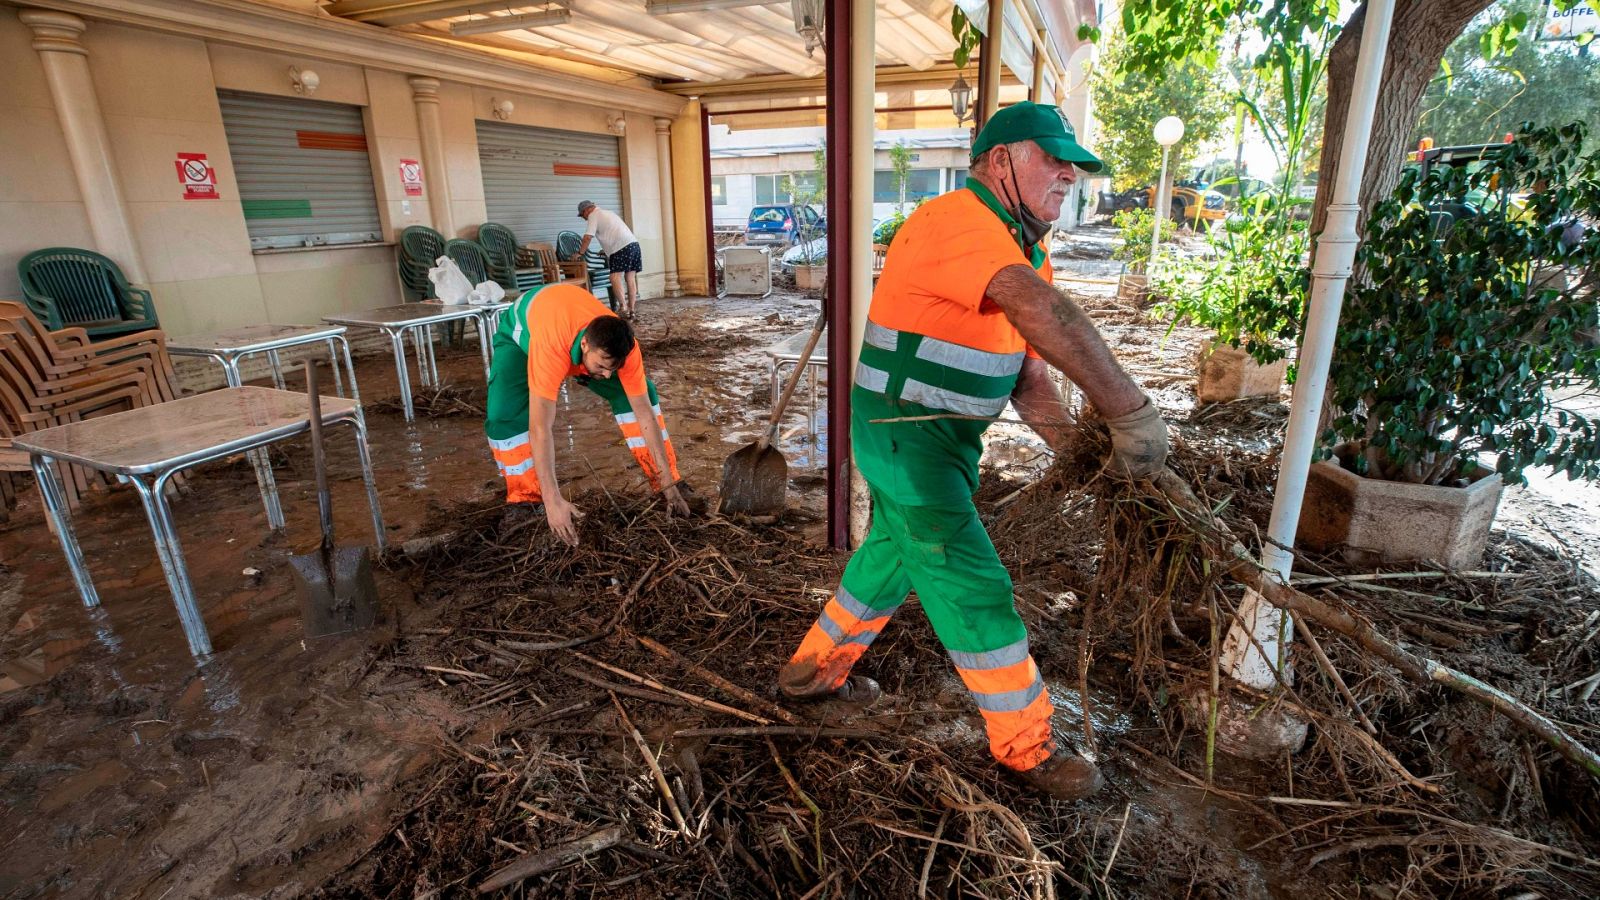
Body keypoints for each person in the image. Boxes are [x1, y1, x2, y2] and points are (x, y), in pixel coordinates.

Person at [775, 102, 1170, 799]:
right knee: (973, 585)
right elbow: (1043, 312)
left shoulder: (1026, 251)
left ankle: (812, 671)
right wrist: (1130, 411)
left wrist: (1084, 459)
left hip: (940, 443)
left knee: (886, 562)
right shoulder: (957, 221)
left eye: (1074, 166)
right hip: (907, 440)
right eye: (1053, 159)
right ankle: (1026, 745)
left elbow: (1030, 381)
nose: (1069, 175)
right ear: (1001, 161)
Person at [483, 283, 689, 545]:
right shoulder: (550, 347)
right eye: (602, 366)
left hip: (573, 332)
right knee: (504, 413)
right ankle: (525, 499)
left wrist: (668, 485)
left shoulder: (625, 349)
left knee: (641, 394)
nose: (607, 376)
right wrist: (553, 501)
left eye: (613, 369)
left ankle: (665, 482)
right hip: (523, 333)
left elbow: (645, 415)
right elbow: (540, 427)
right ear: (585, 345)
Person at [576, 200, 643, 318]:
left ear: (586, 210)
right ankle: (632, 310)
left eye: (582, 215)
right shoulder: (608, 213)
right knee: (630, 278)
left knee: (614, 277)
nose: (584, 218)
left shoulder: (593, 215)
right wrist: (606, 250)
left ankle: (623, 307)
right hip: (633, 245)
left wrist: (579, 253)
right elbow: (614, 232)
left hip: (621, 247)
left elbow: (587, 237)